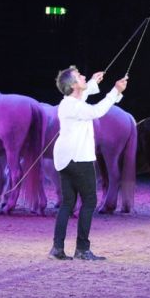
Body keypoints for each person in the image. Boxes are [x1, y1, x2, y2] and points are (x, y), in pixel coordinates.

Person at [48, 66, 128, 261]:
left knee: (68, 203)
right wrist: (115, 91)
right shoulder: (74, 106)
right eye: (79, 76)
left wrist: (92, 82)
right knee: (89, 201)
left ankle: (57, 249)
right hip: (78, 159)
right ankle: (82, 249)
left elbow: (82, 98)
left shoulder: (69, 102)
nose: (83, 76)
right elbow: (97, 111)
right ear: (74, 85)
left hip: (66, 159)